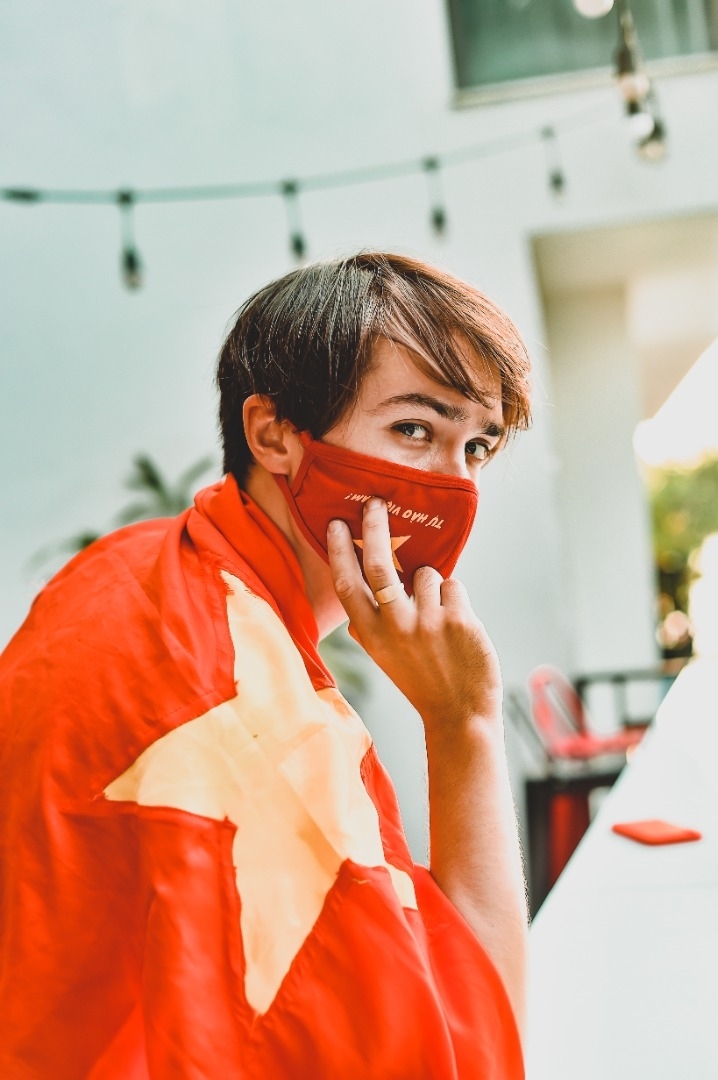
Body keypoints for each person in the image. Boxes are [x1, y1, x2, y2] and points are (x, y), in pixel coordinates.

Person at [0, 252, 531, 1079]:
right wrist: (463, 725)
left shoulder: (134, 570)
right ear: (274, 435)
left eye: (478, 446)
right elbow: (465, 1051)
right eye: (415, 430)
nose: (454, 485)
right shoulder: (246, 698)